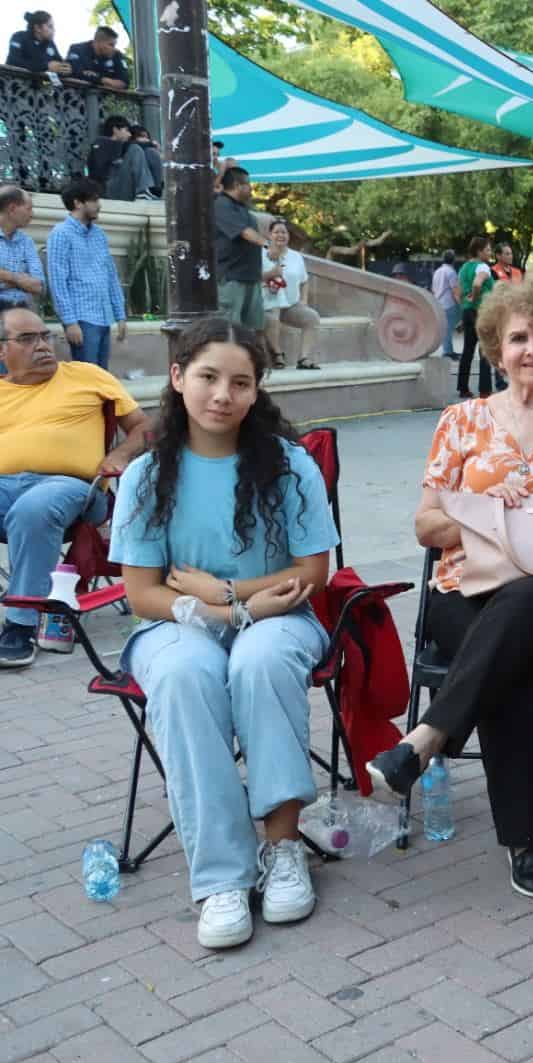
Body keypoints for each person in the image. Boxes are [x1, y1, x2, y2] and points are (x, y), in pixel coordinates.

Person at [367, 279, 533, 899]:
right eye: (519, 338)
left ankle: (427, 740)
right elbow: (427, 526)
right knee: (503, 652)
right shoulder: (461, 422)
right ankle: (524, 842)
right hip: (466, 592)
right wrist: (480, 506)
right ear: (496, 349)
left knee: (527, 605)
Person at [108, 318, 338, 949]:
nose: (222, 394)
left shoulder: (288, 465)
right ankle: (220, 877)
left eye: (241, 382)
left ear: (257, 390)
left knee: (259, 661)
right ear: (178, 377)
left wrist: (230, 597)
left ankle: (284, 847)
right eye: (208, 376)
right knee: (185, 673)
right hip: (173, 624)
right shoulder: (149, 474)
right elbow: (143, 591)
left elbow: (313, 573)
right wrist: (211, 615)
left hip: (281, 618)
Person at [0, 305, 150, 666]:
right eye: (27, 339)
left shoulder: (86, 375)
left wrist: (122, 454)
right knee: (26, 509)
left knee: (34, 508)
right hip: (5, 488)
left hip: (74, 488)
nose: (42, 346)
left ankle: (20, 626)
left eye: (44, 336)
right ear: (2, 350)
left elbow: (145, 428)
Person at [46, 178, 126, 369]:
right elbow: (58, 281)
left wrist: (120, 315)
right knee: (85, 378)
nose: (99, 205)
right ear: (78, 203)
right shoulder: (61, 234)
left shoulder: (99, 234)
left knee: (101, 377)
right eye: (94, 200)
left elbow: (111, 276)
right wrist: (70, 322)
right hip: (81, 319)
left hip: (103, 316)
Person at [262, 219, 321, 371]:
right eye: (276, 232)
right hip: (267, 304)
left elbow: (304, 281)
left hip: (290, 305)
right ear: (269, 235)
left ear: (288, 236)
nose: (280, 235)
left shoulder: (296, 256)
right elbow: (253, 277)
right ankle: (277, 352)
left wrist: (303, 300)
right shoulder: (261, 254)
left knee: (312, 318)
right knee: (272, 316)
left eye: (284, 232)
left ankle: (304, 358)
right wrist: (270, 273)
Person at [213, 167, 267, 332]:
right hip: (232, 278)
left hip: (251, 277)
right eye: (248, 184)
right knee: (231, 330)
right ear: (237, 185)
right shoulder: (221, 205)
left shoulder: (243, 208)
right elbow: (244, 232)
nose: (251, 189)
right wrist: (267, 245)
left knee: (253, 331)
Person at [456, 236, 496, 399]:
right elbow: (478, 284)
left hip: (467, 311)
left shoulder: (464, 268)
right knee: (485, 350)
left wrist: (467, 303)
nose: (489, 252)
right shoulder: (483, 267)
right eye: (487, 249)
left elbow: (459, 292)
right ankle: (485, 390)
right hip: (481, 310)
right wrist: (476, 297)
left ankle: (463, 387)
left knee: (467, 350)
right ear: (479, 251)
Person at [85, 115, 158, 201]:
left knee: (150, 152)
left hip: (121, 189)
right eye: (126, 130)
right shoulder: (100, 143)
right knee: (135, 149)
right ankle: (142, 192)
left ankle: (153, 191)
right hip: (107, 191)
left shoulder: (120, 148)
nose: (129, 134)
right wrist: (150, 143)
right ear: (115, 129)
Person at [0, 186, 44, 313]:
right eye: (29, 208)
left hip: (24, 312)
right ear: (12, 209)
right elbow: (31, 284)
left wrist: (6, 277)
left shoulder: (27, 241)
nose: (32, 214)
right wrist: (20, 279)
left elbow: (38, 286)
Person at [430, 250, 461, 359]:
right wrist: (461, 304)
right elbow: (455, 290)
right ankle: (447, 352)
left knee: (446, 328)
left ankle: (449, 351)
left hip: (439, 303)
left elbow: (433, 290)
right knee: (449, 327)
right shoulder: (451, 272)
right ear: (453, 260)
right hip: (449, 304)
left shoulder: (437, 272)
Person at [128, 125, 163, 197]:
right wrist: (151, 144)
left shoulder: (149, 151)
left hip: (154, 186)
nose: (146, 139)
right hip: (131, 185)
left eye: (147, 137)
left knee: (151, 152)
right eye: (142, 136)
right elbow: (132, 144)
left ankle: (155, 190)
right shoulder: (131, 147)